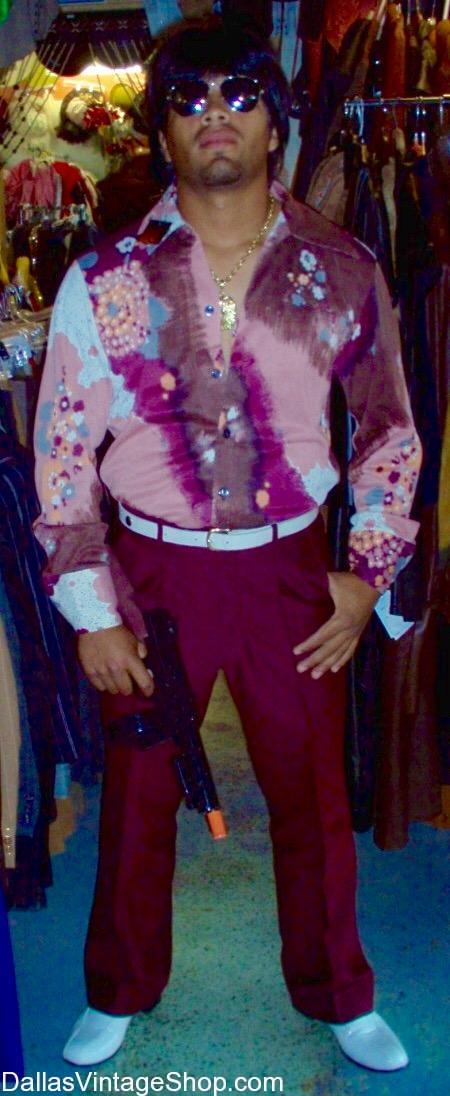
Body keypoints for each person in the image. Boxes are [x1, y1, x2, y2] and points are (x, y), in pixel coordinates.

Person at [34, 17, 421, 1072]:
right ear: (162, 130)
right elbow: (62, 449)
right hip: (150, 570)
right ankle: (120, 986)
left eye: (240, 96)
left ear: (276, 122)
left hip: (288, 570)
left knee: (312, 794)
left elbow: (389, 430)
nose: (217, 118)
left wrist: (366, 577)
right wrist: (91, 610)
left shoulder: (343, 268)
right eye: (190, 99)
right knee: (139, 794)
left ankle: (338, 990)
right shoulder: (105, 279)